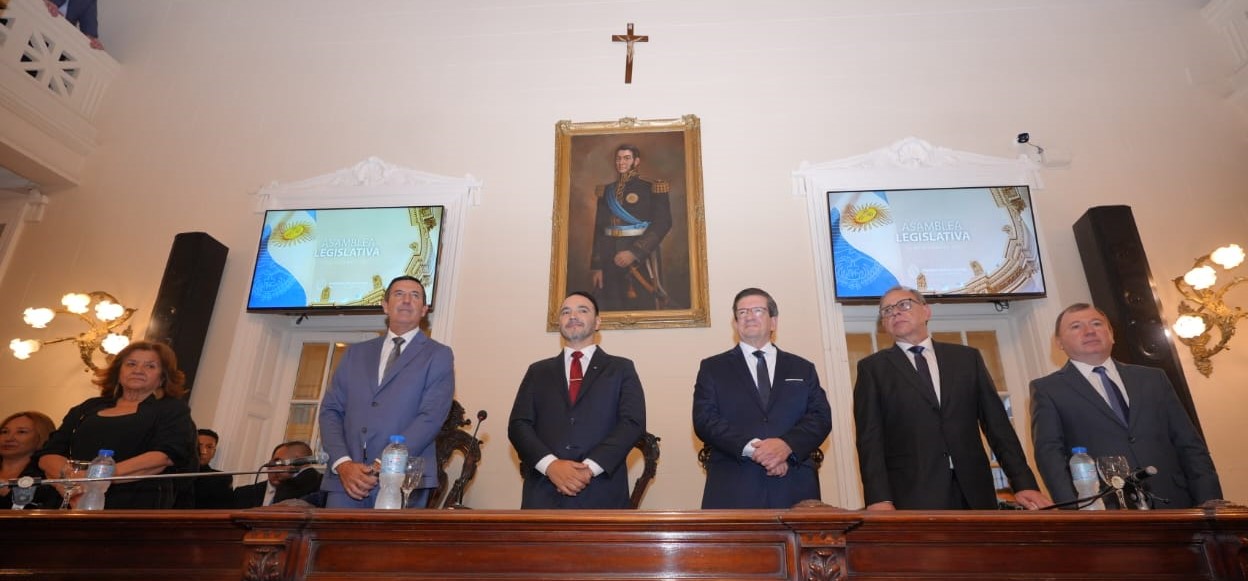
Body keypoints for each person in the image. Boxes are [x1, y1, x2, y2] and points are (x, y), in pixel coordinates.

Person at [853, 286, 1051, 510]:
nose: (895, 312)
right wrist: (879, 499)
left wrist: (1023, 483)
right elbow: (870, 440)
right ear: (884, 323)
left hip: (975, 491)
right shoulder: (872, 369)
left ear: (926, 311)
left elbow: (998, 427)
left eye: (904, 305)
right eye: (887, 310)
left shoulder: (966, 359)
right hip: (912, 494)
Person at [1030, 303, 1222, 509]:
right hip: (1105, 508)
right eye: (1076, 326)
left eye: (1097, 324)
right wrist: (1076, 511)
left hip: (1174, 501)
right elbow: (1050, 457)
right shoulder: (1048, 389)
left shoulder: (1153, 378)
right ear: (1059, 342)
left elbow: (1188, 443)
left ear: (1112, 335)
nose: (1089, 331)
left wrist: (1210, 502)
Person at [318, 275, 454, 508]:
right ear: (385, 305)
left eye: (415, 295)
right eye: (399, 294)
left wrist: (384, 463)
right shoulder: (355, 354)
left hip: (404, 480)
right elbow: (330, 411)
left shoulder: (438, 355)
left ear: (424, 310)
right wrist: (343, 463)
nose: (406, 300)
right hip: (346, 480)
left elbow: (431, 417)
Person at [692, 288, 832, 509]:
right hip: (733, 488)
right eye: (742, 312)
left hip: (794, 486)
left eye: (758, 310)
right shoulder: (712, 368)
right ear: (735, 324)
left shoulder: (803, 368)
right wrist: (756, 450)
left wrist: (785, 446)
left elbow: (820, 417)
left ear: (773, 321)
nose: (749, 316)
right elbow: (705, 419)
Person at [508, 291, 647, 509]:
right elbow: (518, 425)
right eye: (566, 312)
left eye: (582, 310)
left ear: (598, 322)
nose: (573, 316)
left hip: (602, 493)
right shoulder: (537, 371)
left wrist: (588, 469)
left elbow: (632, 423)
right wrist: (551, 466)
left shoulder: (621, 369)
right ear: (559, 323)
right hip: (543, 493)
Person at [38, 341, 198, 509]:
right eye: (131, 364)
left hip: (134, 501)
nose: (138, 370)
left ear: (163, 377)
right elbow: (49, 454)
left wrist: (95, 478)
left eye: (150, 366)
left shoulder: (171, 409)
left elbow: (165, 456)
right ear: (118, 371)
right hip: (68, 500)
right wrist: (68, 486)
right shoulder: (88, 407)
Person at [589, 144, 673, 311]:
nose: (621, 162)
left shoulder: (651, 188)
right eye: (618, 158)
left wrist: (634, 252)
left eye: (626, 158)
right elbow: (599, 229)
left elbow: (663, 223)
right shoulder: (606, 191)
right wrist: (597, 266)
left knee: (642, 305)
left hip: (641, 257)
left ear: (636, 161)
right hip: (608, 257)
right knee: (612, 305)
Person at [234, 441, 323, 508]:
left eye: (279, 462)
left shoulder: (312, 487)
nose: (275, 467)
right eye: (274, 462)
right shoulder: (243, 493)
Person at [0, 411, 60, 509]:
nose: (9, 438)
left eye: (21, 432)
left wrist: (9, 494)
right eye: (4, 432)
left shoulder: (48, 477)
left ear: (41, 437)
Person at [193, 428, 234, 509]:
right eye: (199, 446)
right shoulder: (175, 472)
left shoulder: (222, 478)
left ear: (214, 452)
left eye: (209, 447)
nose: (203, 451)